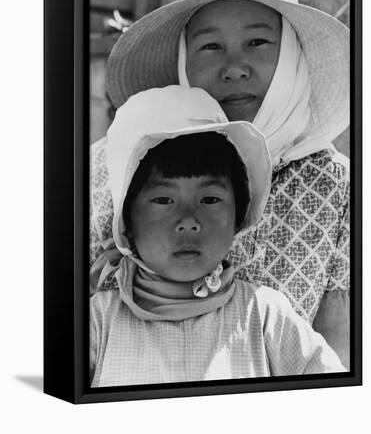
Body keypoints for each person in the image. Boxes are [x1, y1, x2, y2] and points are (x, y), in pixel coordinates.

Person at [90, 0, 350, 368]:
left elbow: (337, 342)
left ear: (291, 54)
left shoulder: (337, 185)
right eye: (210, 46)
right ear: (182, 58)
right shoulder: (113, 166)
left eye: (258, 43)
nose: (234, 67)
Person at [90, 85, 345, 388]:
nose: (188, 221)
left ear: (238, 215)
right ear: (127, 221)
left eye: (209, 200)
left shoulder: (264, 315)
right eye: (163, 200)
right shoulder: (97, 322)